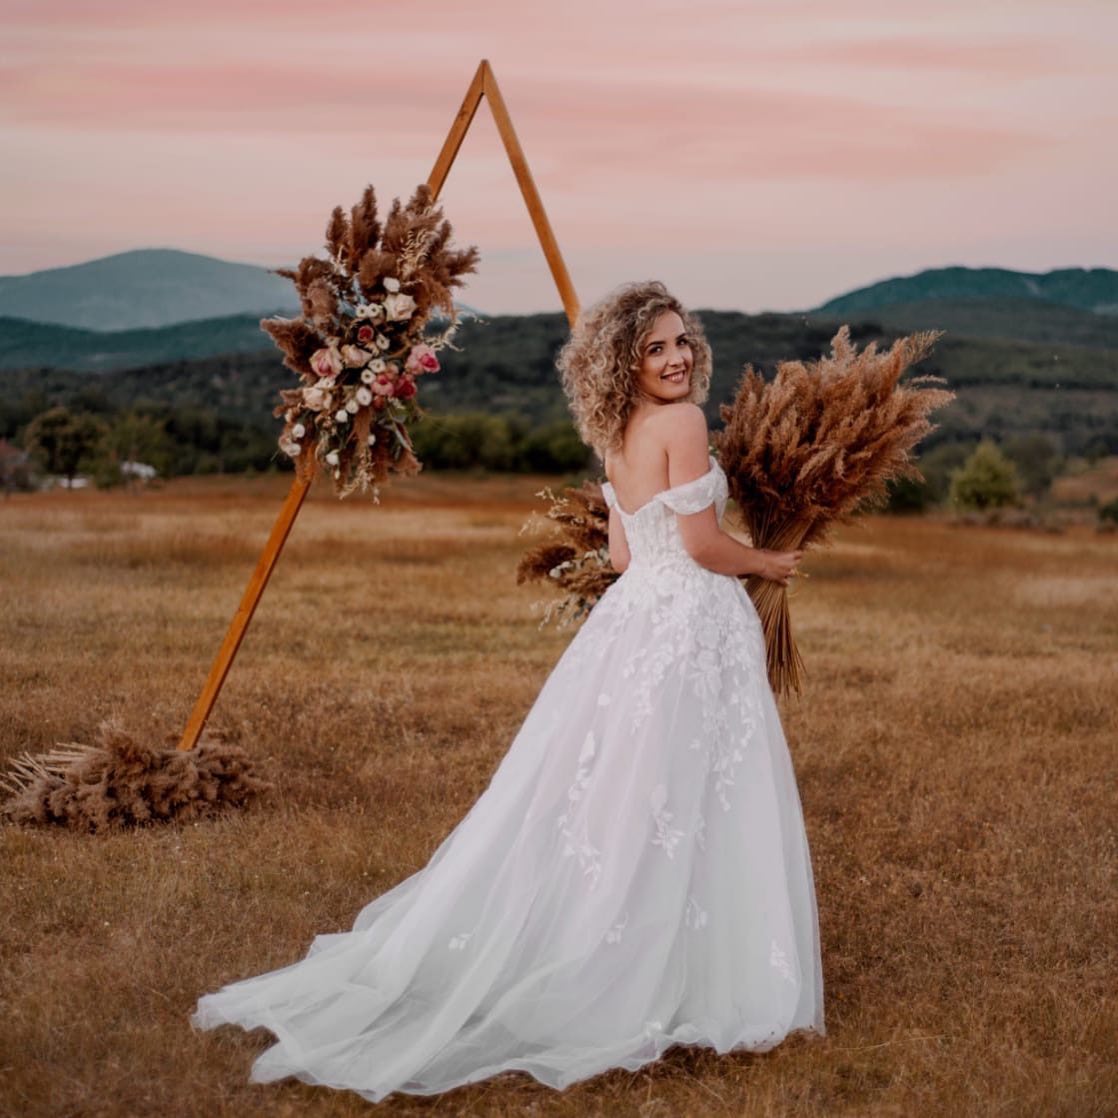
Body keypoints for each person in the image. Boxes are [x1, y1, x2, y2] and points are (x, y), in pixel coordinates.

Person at [191, 281, 825, 1101]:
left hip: (635, 622)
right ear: (625, 362)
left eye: (681, 343)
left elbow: (630, 559)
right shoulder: (685, 423)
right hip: (690, 624)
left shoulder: (616, 433)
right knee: (692, 792)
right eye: (656, 347)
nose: (676, 359)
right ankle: (686, 968)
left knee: (624, 795)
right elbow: (701, 544)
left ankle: (613, 942)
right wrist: (769, 562)